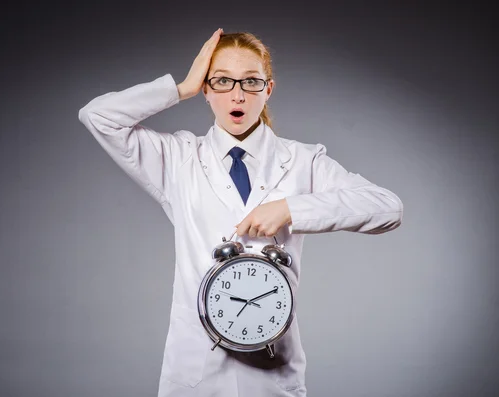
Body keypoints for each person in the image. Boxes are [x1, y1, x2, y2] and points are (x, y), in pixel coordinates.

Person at [78, 28, 403, 397]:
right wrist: (181, 87)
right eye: (222, 81)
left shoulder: (303, 161)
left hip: (271, 370)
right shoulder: (179, 158)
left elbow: (387, 207)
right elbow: (97, 116)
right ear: (206, 89)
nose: (237, 94)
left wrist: (291, 208)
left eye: (251, 82)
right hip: (197, 370)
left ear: (268, 89)